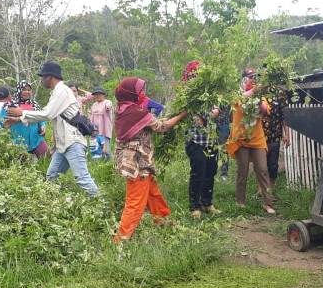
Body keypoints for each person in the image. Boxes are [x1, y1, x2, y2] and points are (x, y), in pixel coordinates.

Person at [6, 61, 99, 198]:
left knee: (82, 179)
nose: (42, 80)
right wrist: (20, 119)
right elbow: (47, 112)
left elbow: (48, 114)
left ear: (50, 77)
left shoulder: (62, 91)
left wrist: (21, 113)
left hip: (72, 142)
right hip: (63, 144)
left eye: (43, 77)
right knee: (51, 176)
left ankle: (100, 202)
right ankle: (52, 202)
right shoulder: (57, 92)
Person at [113, 77, 187, 242]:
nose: (143, 93)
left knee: (153, 193)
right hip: (137, 164)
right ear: (132, 94)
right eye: (140, 91)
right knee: (135, 203)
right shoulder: (136, 113)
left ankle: (162, 221)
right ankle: (120, 239)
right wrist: (182, 114)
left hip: (137, 161)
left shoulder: (124, 109)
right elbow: (163, 126)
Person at [227, 68, 276, 214]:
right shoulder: (237, 94)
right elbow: (238, 101)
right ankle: (240, 201)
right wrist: (254, 91)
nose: (253, 79)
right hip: (241, 139)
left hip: (257, 139)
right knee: (243, 171)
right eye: (250, 77)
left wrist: (259, 98)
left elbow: (265, 111)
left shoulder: (261, 95)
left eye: (255, 77)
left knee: (262, 169)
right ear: (244, 79)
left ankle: (268, 203)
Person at [182, 60, 221, 218]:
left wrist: (217, 110)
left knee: (210, 172)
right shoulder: (188, 94)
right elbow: (198, 117)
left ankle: (207, 203)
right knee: (198, 173)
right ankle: (194, 206)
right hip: (196, 141)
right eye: (195, 74)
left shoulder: (212, 92)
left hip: (211, 140)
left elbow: (218, 110)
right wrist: (210, 114)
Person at [0, 80, 48, 159]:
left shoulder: (34, 104)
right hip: (17, 142)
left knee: (46, 158)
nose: (27, 92)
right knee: (22, 164)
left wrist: (43, 126)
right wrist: (5, 124)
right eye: (24, 89)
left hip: (36, 139)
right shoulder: (10, 105)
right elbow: (1, 123)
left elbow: (40, 118)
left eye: (29, 90)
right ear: (19, 90)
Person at [263, 89, 291, 192]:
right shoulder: (258, 93)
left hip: (275, 137)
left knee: (273, 166)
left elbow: (284, 117)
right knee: (261, 166)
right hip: (259, 138)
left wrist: (287, 135)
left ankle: (270, 189)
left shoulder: (280, 94)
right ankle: (260, 190)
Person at [87, 86, 113, 158]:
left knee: (106, 150)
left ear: (103, 94)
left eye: (99, 94)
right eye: (96, 94)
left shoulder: (107, 102)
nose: (97, 96)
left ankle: (111, 163)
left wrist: (108, 107)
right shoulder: (94, 105)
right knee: (96, 149)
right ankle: (101, 165)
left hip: (104, 130)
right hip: (95, 131)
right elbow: (90, 117)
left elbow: (109, 106)